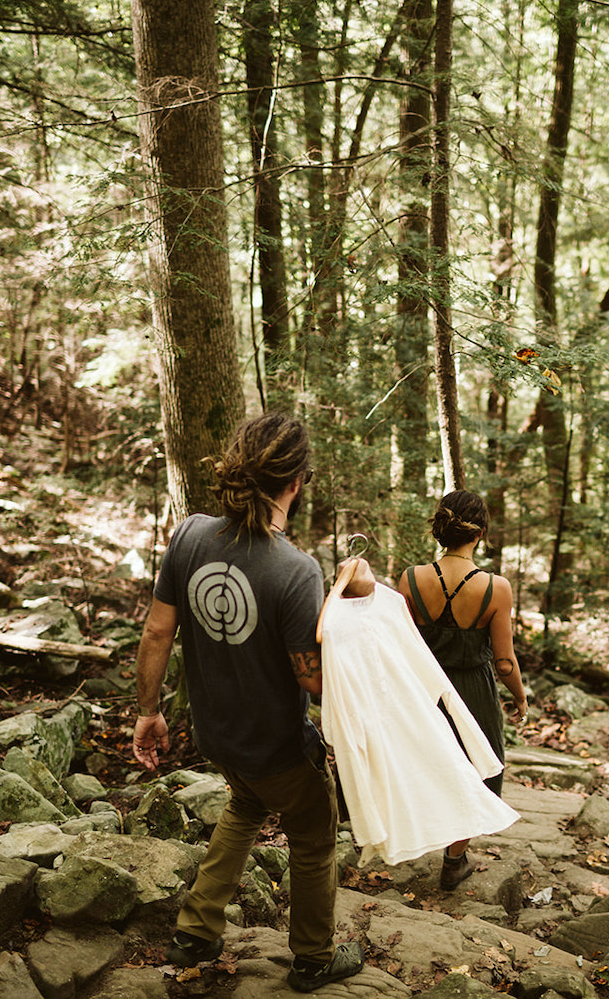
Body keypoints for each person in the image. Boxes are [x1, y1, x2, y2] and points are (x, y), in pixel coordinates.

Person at [132, 412, 363, 992]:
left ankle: (196, 929)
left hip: (217, 738)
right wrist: (349, 613)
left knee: (244, 807)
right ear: (296, 483)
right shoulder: (295, 570)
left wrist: (148, 711)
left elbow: (157, 632)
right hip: (279, 747)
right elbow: (312, 683)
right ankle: (313, 957)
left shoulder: (189, 536)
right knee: (314, 834)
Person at [395, 489, 528, 890]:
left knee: (426, 764)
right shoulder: (496, 588)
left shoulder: (410, 578)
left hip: (423, 690)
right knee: (476, 771)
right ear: (481, 533)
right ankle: (454, 860)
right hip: (472, 692)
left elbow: (400, 643)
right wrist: (519, 696)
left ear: (440, 530)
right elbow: (504, 661)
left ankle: (416, 837)